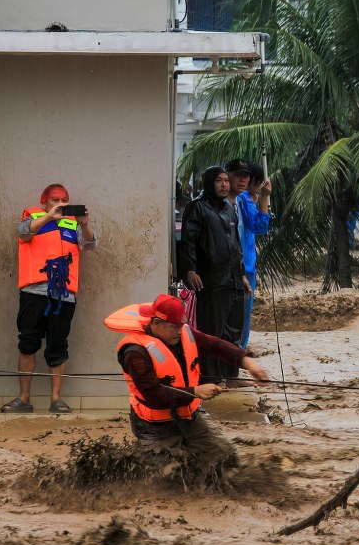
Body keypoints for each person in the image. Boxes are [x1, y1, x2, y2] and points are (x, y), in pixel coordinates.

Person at [106, 294, 268, 454]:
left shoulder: (183, 333)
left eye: (181, 326)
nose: (180, 331)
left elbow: (215, 345)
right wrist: (196, 392)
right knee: (171, 473)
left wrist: (249, 363)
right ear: (157, 323)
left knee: (224, 455)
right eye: (175, 327)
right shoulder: (135, 353)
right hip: (153, 424)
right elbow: (153, 395)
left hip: (188, 416)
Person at [3, 184, 97, 414]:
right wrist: (48, 217)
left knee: (57, 346)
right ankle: (24, 398)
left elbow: (90, 245)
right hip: (33, 293)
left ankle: (56, 399)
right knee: (28, 344)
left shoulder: (72, 224)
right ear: (44, 201)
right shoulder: (33, 218)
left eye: (64, 200)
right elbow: (23, 233)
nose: (60, 204)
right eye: (55, 200)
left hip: (63, 296)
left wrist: (85, 225)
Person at [179, 166, 245, 384]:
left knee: (234, 332)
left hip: (234, 280)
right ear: (209, 183)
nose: (225, 185)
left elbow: (236, 244)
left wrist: (242, 275)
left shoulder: (229, 208)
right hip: (212, 280)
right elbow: (188, 241)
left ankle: (231, 375)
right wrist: (190, 269)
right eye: (219, 180)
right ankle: (211, 378)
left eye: (227, 180)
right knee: (212, 333)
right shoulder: (197, 208)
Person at [225, 159, 273, 349]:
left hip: (245, 265)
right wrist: (265, 198)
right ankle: (238, 353)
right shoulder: (244, 199)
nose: (260, 186)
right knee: (242, 317)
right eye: (259, 182)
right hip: (243, 266)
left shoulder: (241, 199)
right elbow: (259, 225)